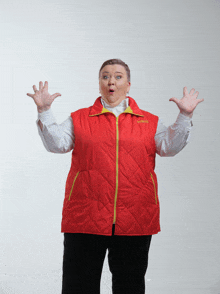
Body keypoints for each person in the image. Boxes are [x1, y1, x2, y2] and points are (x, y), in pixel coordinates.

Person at [27, 59, 204, 294]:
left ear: (128, 84)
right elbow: (57, 144)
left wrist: (184, 115)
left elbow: (169, 147)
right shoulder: (80, 119)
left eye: (118, 76)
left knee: (129, 286)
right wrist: (44, 112)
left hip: (135, 217)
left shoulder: (149, 121)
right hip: (85, 216)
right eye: (105, 76)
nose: (111, 81)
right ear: (99, 83)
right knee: (79, 285)